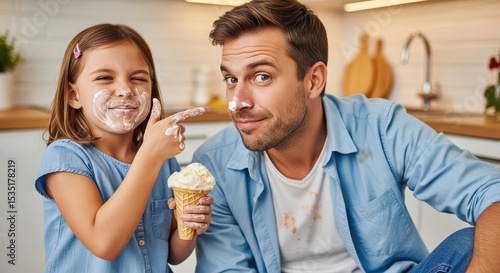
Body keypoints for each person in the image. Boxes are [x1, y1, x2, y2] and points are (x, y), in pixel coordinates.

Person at [192, 0, 500, 272]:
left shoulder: (381, 128)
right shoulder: (214, 165)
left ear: (313, 81)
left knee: (471, 243)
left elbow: (492, 194)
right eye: (231, 79)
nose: (238, 101)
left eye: (261, 77)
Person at [35, 23, 212, 273]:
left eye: (138, 78)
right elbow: (104, 243)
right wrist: (150, 156)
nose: (125, 90)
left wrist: (189, 228)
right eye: (105, 77)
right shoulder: (66, 158)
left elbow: (173, 254)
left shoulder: (163, 161)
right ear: (73, 95)